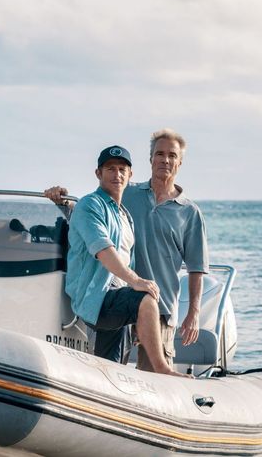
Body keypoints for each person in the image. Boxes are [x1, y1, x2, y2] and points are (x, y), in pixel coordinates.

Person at [46, 129, 208, 373]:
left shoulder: (189, 212)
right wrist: (62, 201)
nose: (165, 160)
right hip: (118, 294)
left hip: (159, 304)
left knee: (153, 377)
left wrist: (193, 312)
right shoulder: (126, 194)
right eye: (160, 154)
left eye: (172, 156)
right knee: (114, 370)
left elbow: (196, 268)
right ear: (150, 159)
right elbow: (91, 213)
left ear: (179, 163)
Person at [64, 145, 188, 377]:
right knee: (146, 299)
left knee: (111, 369)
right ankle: (162, 369)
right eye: (110, 169)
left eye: (122, 169)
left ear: (130, 175)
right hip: (96, 297)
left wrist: (130, 282)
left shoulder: (124, 216)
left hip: (116, 295)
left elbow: (124, 257)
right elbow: (103, 249)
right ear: (98, 174)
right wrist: (136, 281)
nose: (117, 174)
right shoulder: (90, 205)